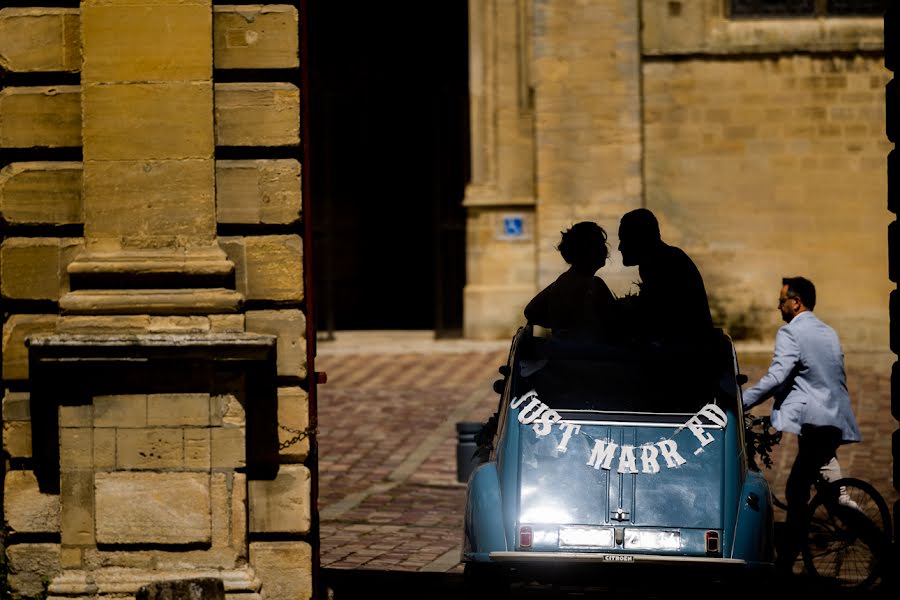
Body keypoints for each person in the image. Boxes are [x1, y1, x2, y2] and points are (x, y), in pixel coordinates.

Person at [741, 276, 861, 575]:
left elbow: (777, 376)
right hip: (833, 421)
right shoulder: (828, 332)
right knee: (837, 497)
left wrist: (740, 401)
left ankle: (784, 565)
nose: (778, 305)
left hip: (816, 424)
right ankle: (881, 544)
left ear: (796, 303)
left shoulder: (791, 333)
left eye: (781, 300)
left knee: (796, 491)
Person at [617, 208, 714, 345]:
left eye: (624, 240)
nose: (620, 247)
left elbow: (663, 320)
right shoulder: (659, 261)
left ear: (640, 239)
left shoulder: (667, 262)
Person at [524, 221, 619, 342]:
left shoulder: (563, 280)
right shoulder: (595, 284)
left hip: (566, 354)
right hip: (585, 357)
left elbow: (531, 311)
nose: (605, 249)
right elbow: (616, 325)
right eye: (600, 244)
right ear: (588, 251)